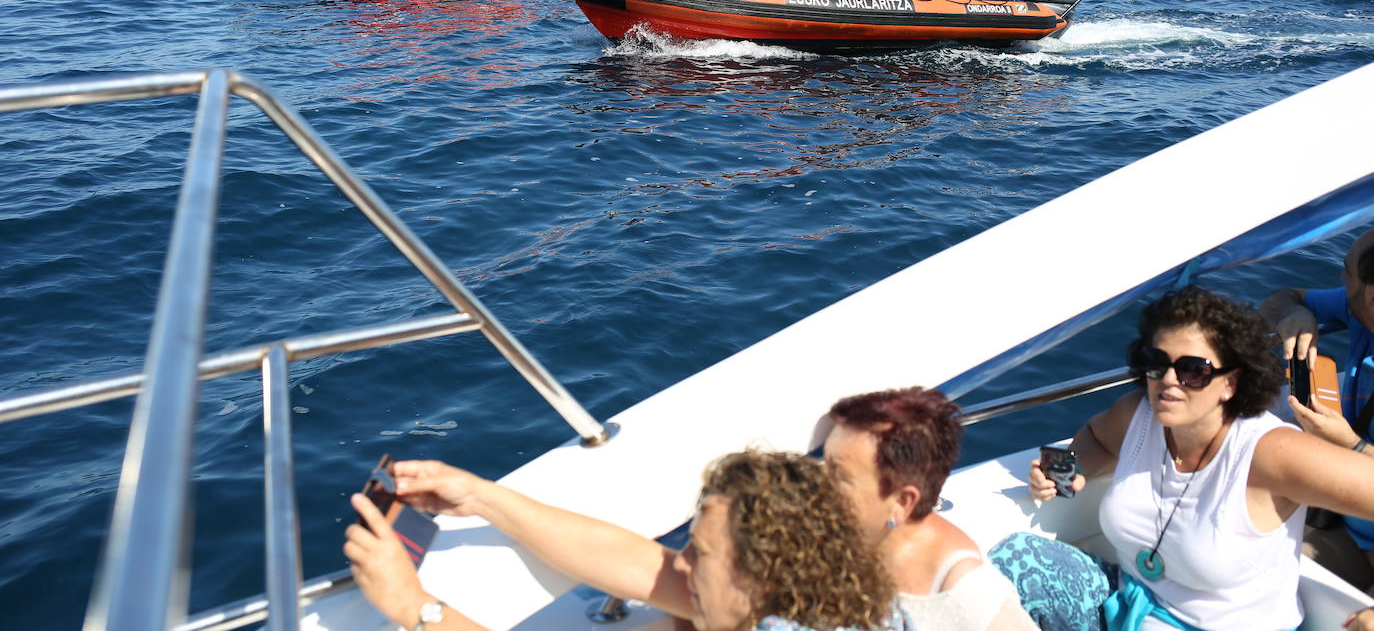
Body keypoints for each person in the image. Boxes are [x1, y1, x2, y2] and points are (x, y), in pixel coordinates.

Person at [992, 285, 1374, 631]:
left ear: (1231, 383)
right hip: (1127, 607)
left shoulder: (1269, 452)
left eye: (1193, 370)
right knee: (1011, 561)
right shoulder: (1139, 415)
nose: (1169, 380)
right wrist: (1074, 470)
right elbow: (1097, 438)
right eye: (1157, 362)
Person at [345, 449, 908, 631]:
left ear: (760, 576)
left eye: (700, 553)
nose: (679, 562)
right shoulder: (808, 598)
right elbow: (642, 565)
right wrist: (480, 498)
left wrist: (413, 607)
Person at [824, 387, 1037, 630]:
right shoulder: (842, 538)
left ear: (902, 502)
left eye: (838, 475)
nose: (818, 482)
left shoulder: (971, 598)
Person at [1261, 227, 1374, 587]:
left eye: (1346, 270)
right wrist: (1293, 315)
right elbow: (1282, 296)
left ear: (1371, 294)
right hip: (1343, 514)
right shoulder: (1356, 310)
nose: (1341, 279)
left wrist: (1349, 443)